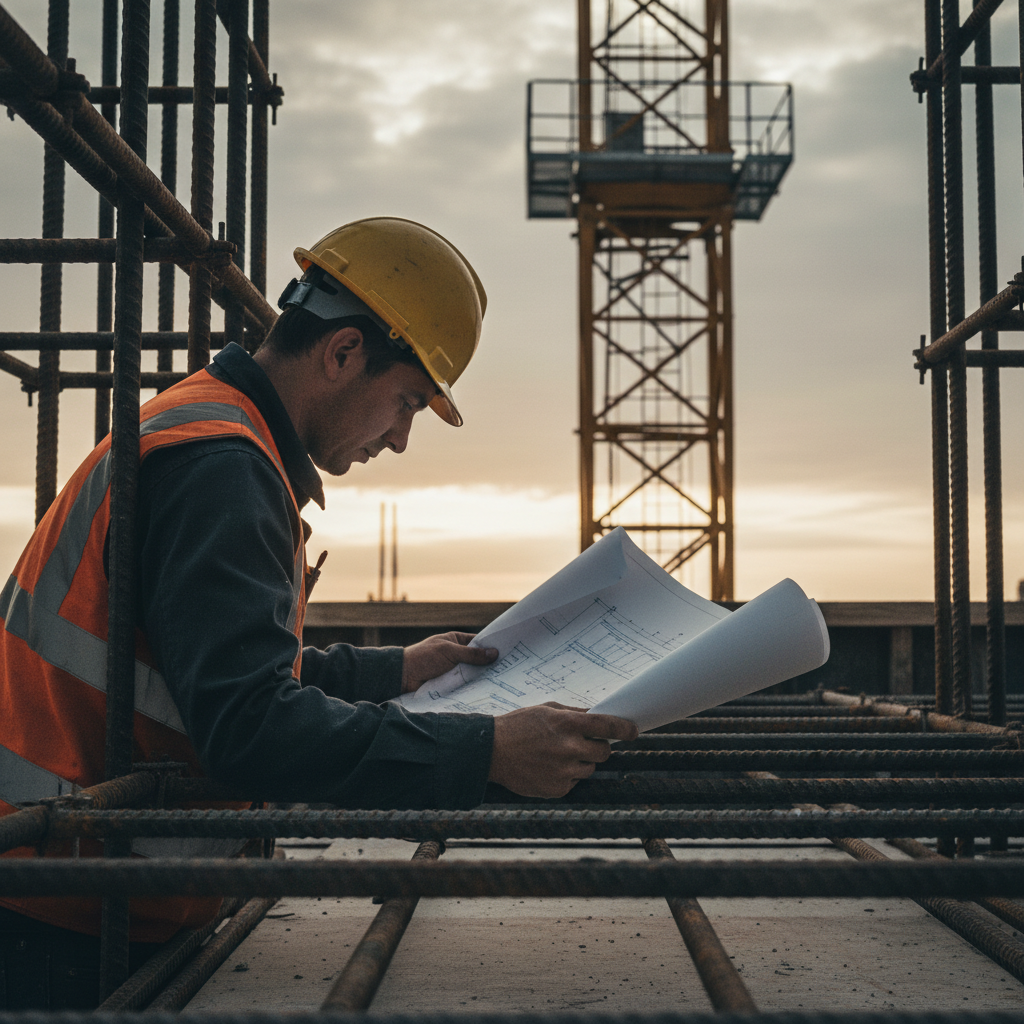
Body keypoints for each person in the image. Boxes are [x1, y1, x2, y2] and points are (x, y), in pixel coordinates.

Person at [0, 217, 637, 1008]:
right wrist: (485, 751)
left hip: (68, 879)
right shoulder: (224, 471)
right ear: (343, 353)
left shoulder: (211, 433)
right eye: (405, 402)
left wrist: (391, 670)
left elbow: (201, 668)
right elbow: (247, 727)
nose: (400, 439)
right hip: (64, 911)